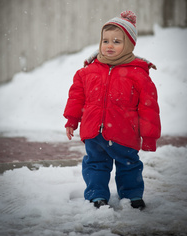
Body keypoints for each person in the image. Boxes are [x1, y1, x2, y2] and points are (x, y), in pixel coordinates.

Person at [63, 11, 161, 210]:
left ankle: (132, 196)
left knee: (129, 166)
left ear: (129, 45)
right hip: (94, 133)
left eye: (117, 42)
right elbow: (76, 98)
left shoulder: (139, 75)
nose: (109, 46)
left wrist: (149, 137)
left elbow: (149, 109)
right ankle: (96, 195)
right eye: (105, 41)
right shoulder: (86, 72)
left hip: (125, 134)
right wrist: (72, 120)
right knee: (95, 165)